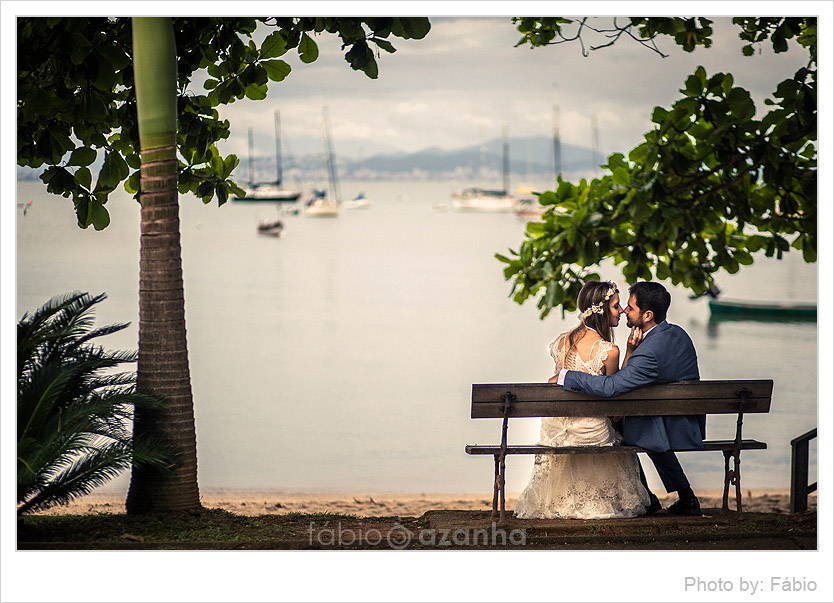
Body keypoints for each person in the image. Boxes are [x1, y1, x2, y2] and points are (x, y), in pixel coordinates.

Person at [556, 281, 704, 516]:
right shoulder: (676, 334)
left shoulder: (649, 352)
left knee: (616, 431)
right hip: (684, 419)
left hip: (669, 426)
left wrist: (567, 376)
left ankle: (647, 498)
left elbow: (612, 386)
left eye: (630, 307)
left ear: (647, 315)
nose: (624, 310)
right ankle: (684, 497)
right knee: (631, 421)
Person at [514, 280, 651, 519]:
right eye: (616, 306)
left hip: (556, 429)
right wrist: (630, 351)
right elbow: (615, 393)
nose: (621, 311)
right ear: (601, 310)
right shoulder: (609, 350)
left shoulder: (561, 343)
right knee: (617, 430)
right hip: (591, 431)